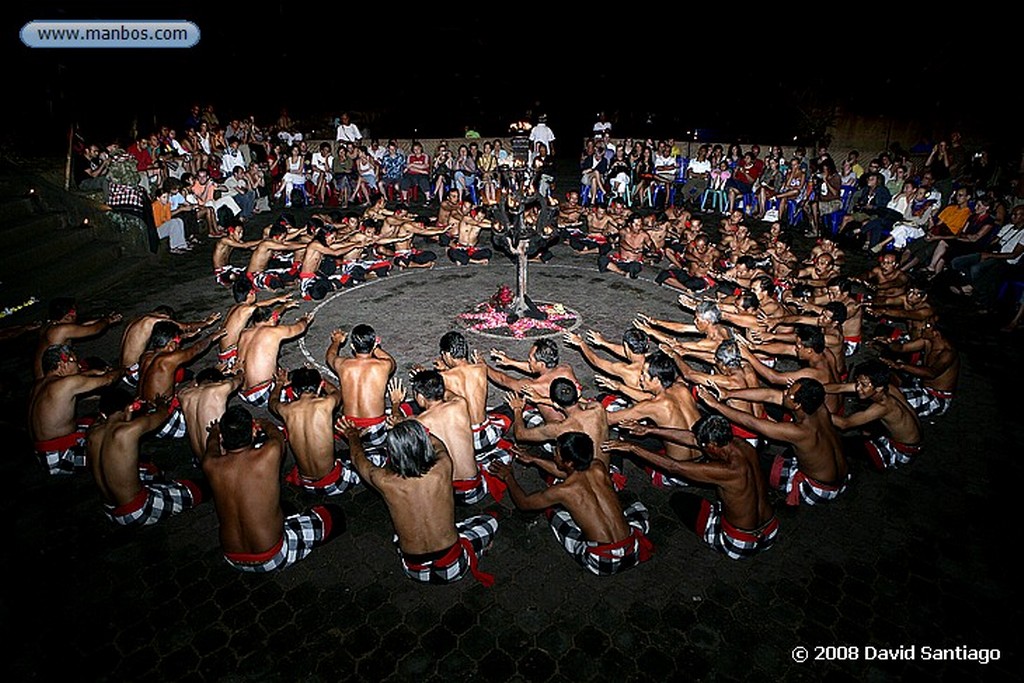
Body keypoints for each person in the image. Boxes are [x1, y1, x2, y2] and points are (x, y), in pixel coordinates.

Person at [343, 418, 498, 586]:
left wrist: (352, 436)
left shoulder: (382, 480)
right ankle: (476, 549)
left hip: (414, 569)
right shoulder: (442, 467)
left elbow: (357, 457)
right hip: (454, 565)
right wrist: (409, 426)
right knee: (490, 521)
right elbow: (438, 443)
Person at [605, 415, 778, 559]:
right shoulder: (741, 444)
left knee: (680, 501)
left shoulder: (728, 471)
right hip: (770, 529)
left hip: (740, 542)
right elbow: (692, 438)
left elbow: (674, 467)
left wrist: (633, 448)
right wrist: (650, 430)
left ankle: (718, 535)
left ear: (711, 446)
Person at [203, 407, 345, 573]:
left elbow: (211, 443)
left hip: (231, 557)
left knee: (284, 508)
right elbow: (276, 434)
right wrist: (262, 422)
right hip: (273, 555)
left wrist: (215, 431)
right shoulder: (270, 453)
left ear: (223, 438)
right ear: (253, 431)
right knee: (334, 515)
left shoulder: (210, 464)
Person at [491, 432, 653, 576]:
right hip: (633, 548)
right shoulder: (598, 466)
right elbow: (568, 472)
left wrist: (508, 477)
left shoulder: (562, 491)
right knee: (637, 508)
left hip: (602, 560)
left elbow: (524, 503)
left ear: (568, 462)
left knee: (553, 511)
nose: (554, 455)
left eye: (556, 453)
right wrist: (534, 460)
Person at [697, 378, 849, 507]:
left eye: (788, 393)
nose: (784, 392)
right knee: (771, 407)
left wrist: (716, 405)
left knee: (751, 462)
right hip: (836, 473)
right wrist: (728, 393)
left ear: (797, 405)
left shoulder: (800, 432)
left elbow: (752, 423)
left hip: (819, 488)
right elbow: (770, 395)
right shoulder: (818, 406)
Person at [87, 399, 207, 526]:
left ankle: (159, 484)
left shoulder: (92, 433)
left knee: (146, 464)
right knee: (202, 488)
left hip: (109, 508)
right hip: (135, 511)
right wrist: (161, 404)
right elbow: (162, 415)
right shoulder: (129, 430)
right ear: (129, 408)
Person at [391, 370, 503, 505]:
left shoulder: (417, 423)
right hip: (475, 489)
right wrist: (433, 384)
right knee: (500, 451)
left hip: (448, 492)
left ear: (420, 397)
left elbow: (395, 420)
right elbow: (448, 393)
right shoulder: (460, 404)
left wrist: (396, 403)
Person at [29, 344, 120, 475]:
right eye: (76, 362)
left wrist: (91, 372)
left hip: (42, 453)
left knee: (96, 418)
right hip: (59, 457)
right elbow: (109, 380)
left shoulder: (38, 385)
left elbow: (71, 380)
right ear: (63, 363)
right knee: (115, 439)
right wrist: (121, 370)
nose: (79, 367)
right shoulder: (66, 384)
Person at [270, 367, 360, 496]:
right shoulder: (327, 403)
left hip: (305, 483)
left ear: (294, 392)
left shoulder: (286, 409)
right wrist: (322, 380)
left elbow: (273, 402)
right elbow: (335, 392)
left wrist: (279, 383)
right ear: (319, 388)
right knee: (379, 455)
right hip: (334, 483)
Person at [829, 360, 922, 470]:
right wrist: (816, 388)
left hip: (903, 451)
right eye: (857, 383)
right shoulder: (888, 387)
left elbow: (844, 424)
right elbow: (841, 387)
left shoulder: (883, 407)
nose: (858, 388)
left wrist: (817, 408)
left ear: (879, 388)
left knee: (838, 444)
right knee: (867, 426)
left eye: (863, 385)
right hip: (913, 438)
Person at [326, 324, 396, 463]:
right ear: (374, 343)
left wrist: (336, 342)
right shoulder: (384, 365)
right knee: (401, 411)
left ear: (352, 346)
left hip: (347, 429)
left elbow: (330, 356)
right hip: (375, 432)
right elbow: (391, 361)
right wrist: (375, 347)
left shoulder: (342, 364)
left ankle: (355, 450)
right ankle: (376, 452)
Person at [236, 309, 313, 408]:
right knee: (307, 383)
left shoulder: (244, 333)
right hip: (261, 393)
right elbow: (300, 328)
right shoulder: (274, 332)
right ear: (271, 318)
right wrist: (304, 319)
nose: (278, 319)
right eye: (276, 317)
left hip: (241, 390)